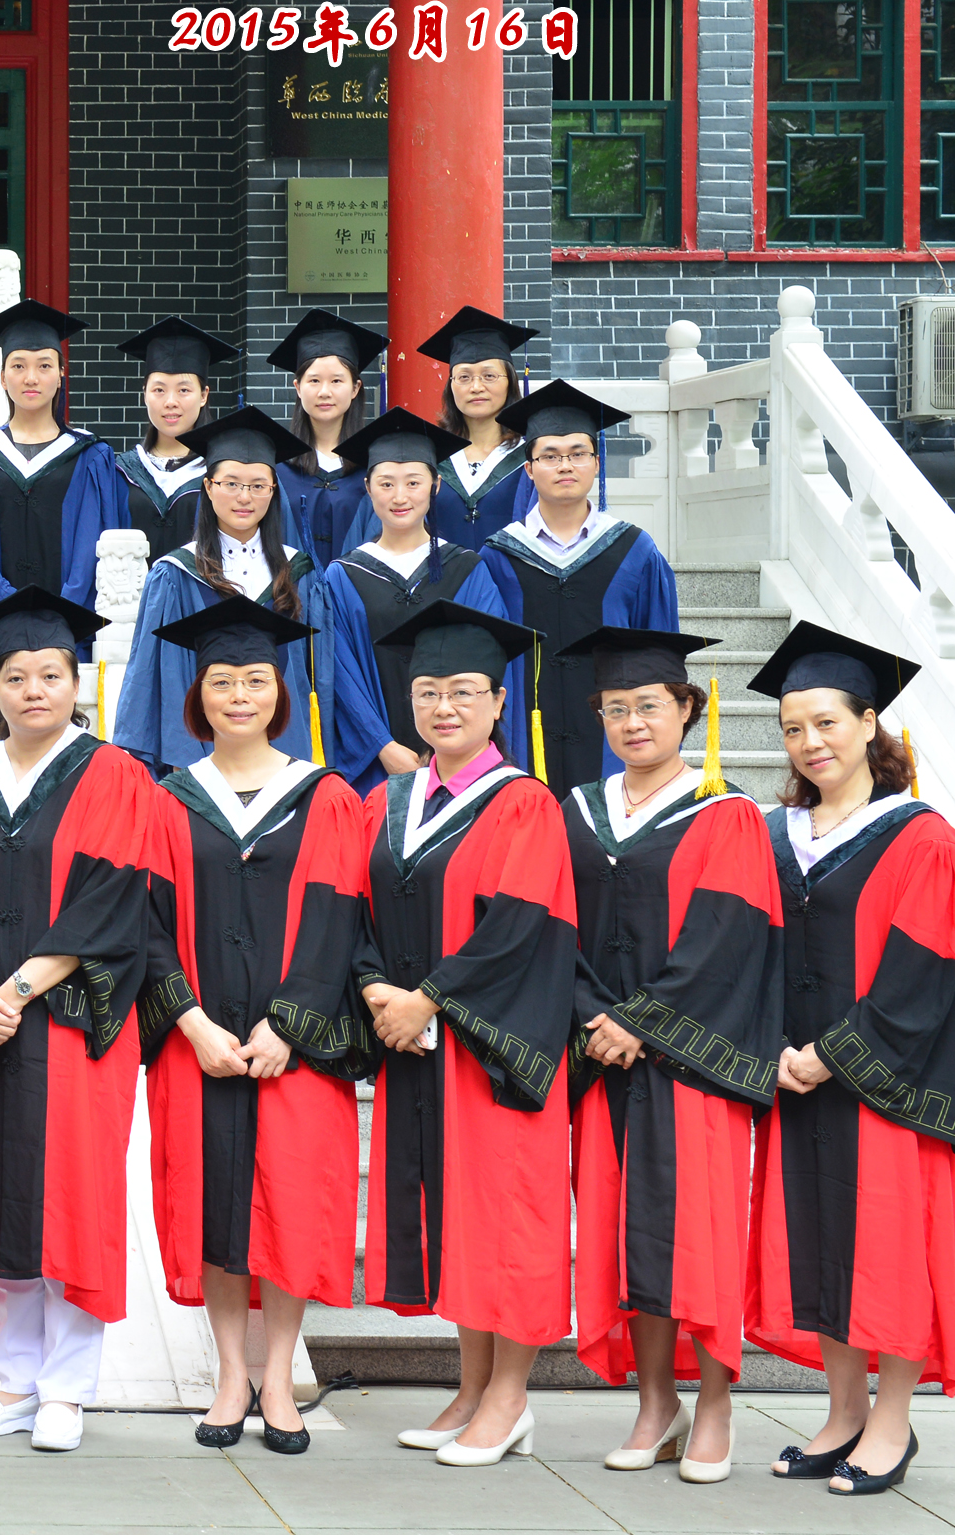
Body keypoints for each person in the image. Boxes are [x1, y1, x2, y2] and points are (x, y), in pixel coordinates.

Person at [0, 588, 165, 1456]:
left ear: (76, 683)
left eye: (50, 675)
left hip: (69, 1024)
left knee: (71, 1198)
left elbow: (113, 902)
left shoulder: (114, 776)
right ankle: (15, 1383)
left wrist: (12, 992)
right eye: (16, 677)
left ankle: (66, 1390)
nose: (33, 691)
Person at [746, 625, 955, 1497]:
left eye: (827, 723)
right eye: (792, 728)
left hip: (885, 1087)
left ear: (869, 722)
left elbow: (928, 975)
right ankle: (844, 1412)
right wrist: (771, 1048)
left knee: (890, 1254)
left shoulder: (922, 838)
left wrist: (831, 1057)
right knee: (820, 1248)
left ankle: (892, 1421)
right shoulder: (773, 834)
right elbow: (744, 951)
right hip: (793, 1079)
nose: (810, 742)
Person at [138, 596, 371, 1458]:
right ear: (198, 695)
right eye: (223, 682)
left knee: (291, 1206)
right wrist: (191, 1021)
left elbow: (340, 914)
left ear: (282, 693)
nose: (240, 696)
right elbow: (145, 924)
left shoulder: (326, 796)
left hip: (293, 1051)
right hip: (196, 1046)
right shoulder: (168, 799)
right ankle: (229, 1376)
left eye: (256, 681)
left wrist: (291, 1024)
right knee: (212, 1208)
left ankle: (279, 1377)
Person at [352, 600, 577, 1468]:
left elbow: (521, 925)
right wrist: (376, 989)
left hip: (493, 1050)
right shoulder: (390, 799)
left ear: (498, 702)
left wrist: (430, 1001)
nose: (443, 707)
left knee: (506, 1220)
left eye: (463, 692)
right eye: (427, 692)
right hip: (415, 1046)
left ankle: (511, 1398)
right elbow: (354, 907)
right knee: (458, 1219)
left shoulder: (525, 803)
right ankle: (473, 1386)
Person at [554, 627, 780, 1486]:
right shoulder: (577, 811)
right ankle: (656, 1405)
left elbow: (726, 939)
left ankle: (714, 1402)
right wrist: (593, 1018)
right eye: (616, 709)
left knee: (701, 1234)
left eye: (649, 705)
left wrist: (639, 1024)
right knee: (623, 1233)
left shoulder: (726, 812)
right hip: (603, 1065)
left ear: (688, 709)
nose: (633, 723)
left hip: (693, 1066)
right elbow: (553, 927)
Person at [479, 381, 679, 793]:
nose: (565, 465)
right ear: (529, 469)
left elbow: (659, 652)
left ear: (597, 462)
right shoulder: (498, 555)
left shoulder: (635, 550)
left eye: (578, 454)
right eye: (550, 456)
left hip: (614, 735)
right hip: (521, 734)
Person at [311, 409, 511, 792]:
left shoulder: (467, 569)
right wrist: (383, 747)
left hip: (459, 760)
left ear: (436, 485)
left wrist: (449, 747)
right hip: (374, 766)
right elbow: (338, 673)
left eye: (414, 483)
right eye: (386, 484)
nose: (399, 497)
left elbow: (488, 665)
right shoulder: (342, 575)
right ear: (368, 488)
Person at [114, 408, 321, 774]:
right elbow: (154, 675)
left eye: (258, 485)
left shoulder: (299, 574)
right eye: (231, 483)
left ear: (273, 491)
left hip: (285, 757)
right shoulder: (175, 574)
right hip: (196, 761)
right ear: (208, 487)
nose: (244, 497)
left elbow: (317, 675)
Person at [0, 298, 122, 624]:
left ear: (60, 375)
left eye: (44, 366)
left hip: (69, 625)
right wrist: (4, 605)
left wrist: (64, 615)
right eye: (18, 366)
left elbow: (96, 544)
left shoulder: (90, 455)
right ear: (3, 378)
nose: (31, 378)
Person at [266, 310, 385, 567]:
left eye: (336, 381)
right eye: (314, 380)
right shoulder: (276, 466)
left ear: (355, 388)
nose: (324, 392)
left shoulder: (375, 466)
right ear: (298, 388)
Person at [112, 317, 236, 559]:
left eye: (184, 390)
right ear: (144, 394)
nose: (170, 401)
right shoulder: (120, 471)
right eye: (159, 390)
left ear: (204, 395)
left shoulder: (222, 470)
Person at [416, 306, 536, 548]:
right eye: (464, 377)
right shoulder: (432, 457)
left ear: (510, 382)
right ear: (451, 386)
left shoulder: (532, 456)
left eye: (489, 376)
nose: (476, 387)